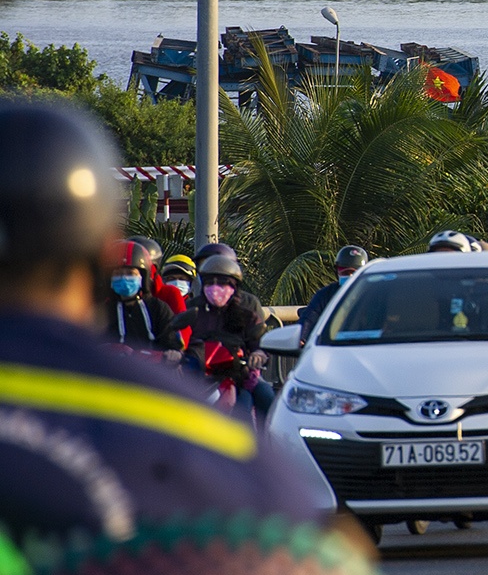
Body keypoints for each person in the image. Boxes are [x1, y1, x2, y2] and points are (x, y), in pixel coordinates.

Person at [0, 97, 325, 542]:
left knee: (268, 402)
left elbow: (248, 340)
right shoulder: (201, 444)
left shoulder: (226, 311)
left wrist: (247, 359)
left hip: (230, 377)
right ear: (101, 251)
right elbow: (298, 549)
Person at [182, 252, 274, 417]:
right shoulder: (191, 310)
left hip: (239, 380)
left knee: (265, 399)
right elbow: (175, 337)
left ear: (234, 287)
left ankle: (268, 440)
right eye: (210, 282)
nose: (216, 288)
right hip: (196, 379)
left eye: (223, 283)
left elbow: (260, 341)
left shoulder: (247, 316)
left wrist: (259, 353)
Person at [104, 239, 180, 359]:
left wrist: (172, 356)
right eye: (118, 273)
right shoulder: (103, 311)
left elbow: (171, 344)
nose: (124, 277)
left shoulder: (158, 308)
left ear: (142, 277)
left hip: (150, 374)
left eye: (130, 273)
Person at [299, 244, 368, 346]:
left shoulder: (373, 296)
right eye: (344, 272)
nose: (349, 276)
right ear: (337, 271)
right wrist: (300, 338)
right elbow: (309, 319)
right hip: (331, 348)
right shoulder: (325, 295)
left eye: (354, 272)